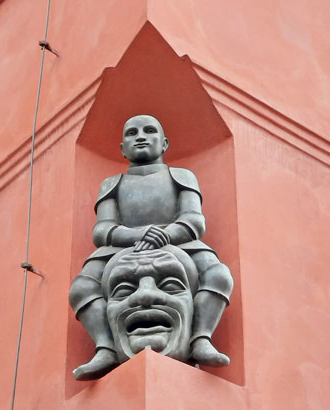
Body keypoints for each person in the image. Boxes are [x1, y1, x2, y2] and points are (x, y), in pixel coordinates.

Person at [69, 114, 233, 381]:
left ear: (164, 143)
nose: (141, 136)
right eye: (132, 133)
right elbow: (102, 230)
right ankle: (105, 347)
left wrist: (164, 235)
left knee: (219, 276)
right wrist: (138, 234)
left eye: (149, 131)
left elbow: (194, 221)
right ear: (122, 148)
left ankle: (201, 338)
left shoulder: (182, 176)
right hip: (120, 246)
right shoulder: (112, 184)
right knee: (82, 288)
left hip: (181, 241)